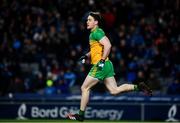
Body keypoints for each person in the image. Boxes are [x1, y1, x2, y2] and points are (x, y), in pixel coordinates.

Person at [66, 12, 152, 121]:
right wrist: (86, 55)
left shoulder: (95, 33)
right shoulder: (95, 33)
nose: (87, 22)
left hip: (100, 65)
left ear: (96, 22)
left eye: (89, 20)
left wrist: (101, 61)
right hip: (107, 65)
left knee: (84, 88)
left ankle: (80, 115)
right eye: (87, 20)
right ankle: (138, 87)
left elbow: (108, 45)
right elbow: (96, 50)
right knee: (114, 90)